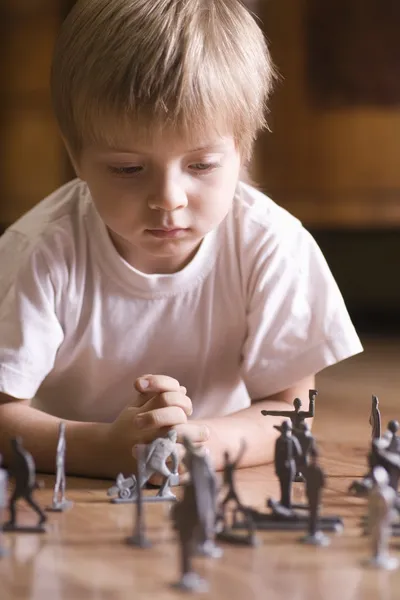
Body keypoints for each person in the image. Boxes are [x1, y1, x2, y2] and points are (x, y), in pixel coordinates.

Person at [0, 0, 362, 479]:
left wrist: (196, 444)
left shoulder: (273, 247)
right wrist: (100, 448)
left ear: (243, 149)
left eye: (201, 166)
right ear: (76, 156)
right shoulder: (41, 252)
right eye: (127, 168)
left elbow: (290, 413)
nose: (168, 199)